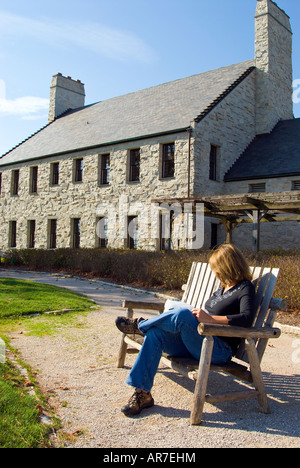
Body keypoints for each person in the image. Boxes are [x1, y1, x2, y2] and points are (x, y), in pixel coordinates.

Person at [115, 244, 256, 417]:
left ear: (229, 266)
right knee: (155, 334)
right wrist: (198, 316)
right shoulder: (221, 289)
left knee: (181, 315)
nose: (215, 273)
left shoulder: (245, 288)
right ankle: (142, 394)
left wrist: (210, 319)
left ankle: (141, 325)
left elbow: (247, 319)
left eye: (217, 269)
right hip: (198, 341)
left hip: (218, 349)